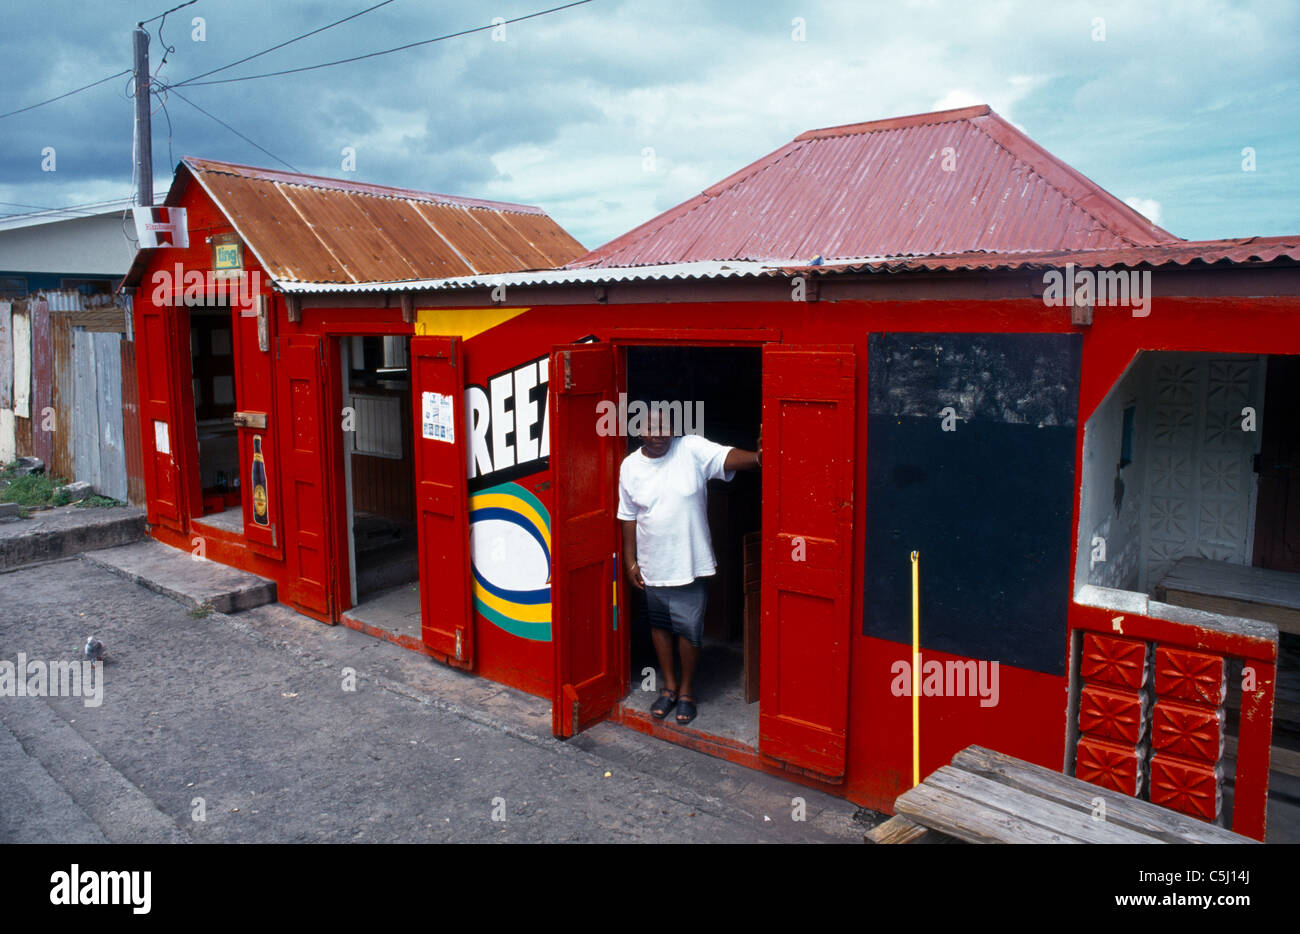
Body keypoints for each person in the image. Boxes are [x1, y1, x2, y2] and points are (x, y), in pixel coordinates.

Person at [617, 409, 760, 725]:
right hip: (653, 563)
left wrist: (759, 458)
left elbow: (726, 457)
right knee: (660, 626)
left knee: (689, 631)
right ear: (639, 432)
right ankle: (668, 687)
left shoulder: (691, 448)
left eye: (665, 426)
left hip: (689, 562)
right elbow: (627, 516)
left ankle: (686, 691)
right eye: (651, 428)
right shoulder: (630, 466)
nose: (659, 434)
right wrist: (630, 562)